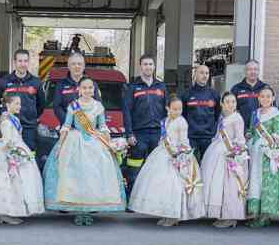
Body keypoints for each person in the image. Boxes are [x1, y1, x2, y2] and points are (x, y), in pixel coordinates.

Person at [43, 77, 126, 225]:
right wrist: (60, 145)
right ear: (79, 90)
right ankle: (77, 207)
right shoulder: (73, 106)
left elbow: (102, 126)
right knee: (75, 176)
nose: (87, 91)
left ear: (94, 90)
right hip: (74, 143)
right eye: (84, 88)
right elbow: (67, 126)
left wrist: (109, 143)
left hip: (95, 142)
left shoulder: (98, 106)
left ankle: (89, 208)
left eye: (90, 88)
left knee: (92, 175)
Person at [128, 94, 204, 226]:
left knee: (175, 185)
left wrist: (182, 154)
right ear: (167, 108)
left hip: (177, 154)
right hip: (163, 152)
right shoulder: (165, 121)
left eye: (179, 109)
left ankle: (174, 215)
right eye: (174, 109)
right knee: (161, 183)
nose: (177, 112)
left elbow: (184, 140)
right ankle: (166, 213)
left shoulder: (181, 122)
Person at [0, 93, 44, 225]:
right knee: (9, 182)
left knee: (17, 182)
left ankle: (13, 211)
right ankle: (5, 213)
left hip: (16, 147)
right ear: (8, 105)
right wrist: (14, 154)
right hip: (8, 151)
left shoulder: (13, 118)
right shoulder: (6, 119)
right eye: (16, 103)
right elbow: (7, 140)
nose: (19, 106)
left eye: (20, 103)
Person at [200, 91, 248, 228]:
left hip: (229, 153)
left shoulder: (237, 118)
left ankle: (231, 216)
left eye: (233, 102)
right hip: (217, 152)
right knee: (217, 185)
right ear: (222, 104)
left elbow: (240, 139)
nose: (231, 104)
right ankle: (221, 214)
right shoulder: (221, 117)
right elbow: (217, 135)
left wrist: (236, 154)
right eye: (227, 102)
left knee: (230, 186)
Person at [122, 54, 167, 193]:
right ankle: (132, 201)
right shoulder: (132, 87)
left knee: (156, 169)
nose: (148, 67)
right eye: (145, 64)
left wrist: (165, 134)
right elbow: (127, 111)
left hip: (157, 134)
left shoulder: (161, 86)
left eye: (150, 64)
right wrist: (129, 133)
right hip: (138, 134)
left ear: (154, 67)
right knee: (134, 169)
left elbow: (167, 112)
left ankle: (152, 202)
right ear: (140, 66)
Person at [246, 86, 279, 228]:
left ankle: (265, 215)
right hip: (255, 152)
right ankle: (256, 213)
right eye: (262, 96)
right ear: (258, 98)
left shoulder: (276, 114)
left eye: (268, 96)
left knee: (265, 184)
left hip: (267, 153)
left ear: (273, 98)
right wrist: (248, 135)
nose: (265, 99)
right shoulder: (255, 114)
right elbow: (251, 130)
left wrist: (271, 140)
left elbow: (278, 133)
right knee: (255, 183)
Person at [0, 49, 45, 152]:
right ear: (14, 62)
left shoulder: (36, 82)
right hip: (9, 126)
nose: (23, 64)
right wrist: (6, 117)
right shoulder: (3, 82)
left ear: (28, 62)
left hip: (29, 127)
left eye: (25, 61)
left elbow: (41, 105)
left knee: (29, 156)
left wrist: (31, 116)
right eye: (20, 61)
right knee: (9, 156)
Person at [181, 64, 220, 162]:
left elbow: (217, 115)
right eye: (201, 72)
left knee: (207, 165)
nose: (205, 75)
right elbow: (183, 115)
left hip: (208, 137)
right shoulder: (187, 94)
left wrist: (212, 131)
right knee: (191, 165)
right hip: (191, 137)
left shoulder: (214, 94)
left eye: (207, 73)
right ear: (195, 74)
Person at [52, 51, 100, 127]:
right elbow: (57, 107)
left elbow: (97, 105)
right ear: (68, 66)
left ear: (84, 66)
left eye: (79, 64)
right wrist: (69, 122)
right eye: (73, 64)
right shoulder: (61, 85)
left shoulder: (92, 84)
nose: (76, 66)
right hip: (68, 129)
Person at [230, 59, 268, 127]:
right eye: (249, 69)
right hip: (241, 130)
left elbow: (273, 110)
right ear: (245, 71)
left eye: (255, 69)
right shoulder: (236, 89)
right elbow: (230, 112)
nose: (253, 72)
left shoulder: (265, 88)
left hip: (262, 131)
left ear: (258, 71)